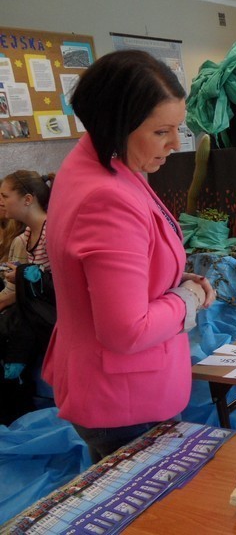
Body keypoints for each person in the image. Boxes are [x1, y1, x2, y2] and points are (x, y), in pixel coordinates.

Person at [43, 50, 216, 462]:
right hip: (124, 400)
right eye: (161, 132)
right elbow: (126, 330)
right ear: (116, 125)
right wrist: (185, 300)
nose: (176, 143)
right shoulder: (107, 196)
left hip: (106, 382)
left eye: (178, 128)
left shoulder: (96, 163)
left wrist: (170, 281)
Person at [0, 170, 55, 425]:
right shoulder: (25, 237)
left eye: (4, 195)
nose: (1, 201)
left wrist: (23, 276)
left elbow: (58, 285)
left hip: (50, 316)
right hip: (33, 312)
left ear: (27, 199)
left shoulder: (52, 232)